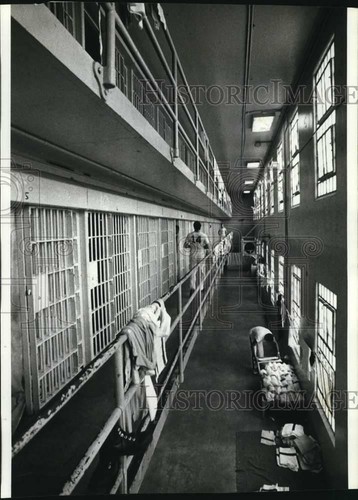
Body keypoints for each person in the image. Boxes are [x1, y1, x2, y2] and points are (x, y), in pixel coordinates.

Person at [184, 221, 210, 294]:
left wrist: (191, 246)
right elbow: (208, 246)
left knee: (193, 272)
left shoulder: (190, 235)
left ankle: (192, 288)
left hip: (193, 255)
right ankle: (201, 288)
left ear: (193, 226)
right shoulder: (204, 235)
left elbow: (185, 246)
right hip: (201, 255)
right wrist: (202, 246)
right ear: (200, 227)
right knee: (202, 272)